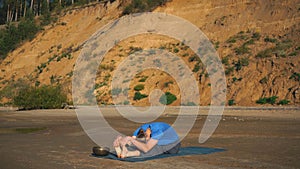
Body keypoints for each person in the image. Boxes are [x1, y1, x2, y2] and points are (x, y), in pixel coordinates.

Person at [113, 122, 181, 158]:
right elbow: (132, 140)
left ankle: (129, 154)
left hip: (173, 146)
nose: (146, 138)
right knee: (140, 142)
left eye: (146, 135)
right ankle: (126, 151)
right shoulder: (142, 129)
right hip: (161, 139)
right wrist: (122, 142)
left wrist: (130, 139)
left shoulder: (158, 131)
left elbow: (146, 149)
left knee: (150, 149)